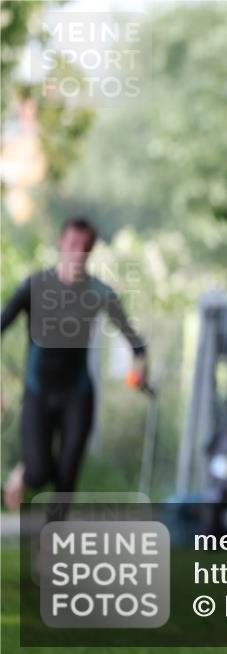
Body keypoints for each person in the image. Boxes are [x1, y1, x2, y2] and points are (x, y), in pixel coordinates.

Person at [1, 217, 148, 511]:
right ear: (61, 243)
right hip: (38, 392)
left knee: (66, 479)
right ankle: (24, 472)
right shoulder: (34, 286)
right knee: (39, 472)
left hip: (77, 394)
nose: (78, 251)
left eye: (85, 246)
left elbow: (136, 343)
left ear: (91, 250)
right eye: (73, 244)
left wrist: (140, 369)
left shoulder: (98, 291)